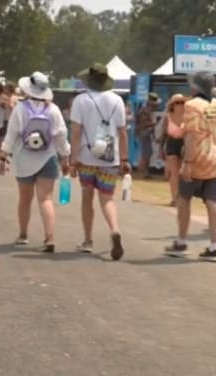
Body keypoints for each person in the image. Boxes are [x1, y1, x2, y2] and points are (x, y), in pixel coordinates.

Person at [0, 71, 70, 253]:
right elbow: (61, 135)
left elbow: (11, 134)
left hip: (24, 159)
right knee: (46, 199)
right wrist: (66, 156)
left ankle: (23, 234)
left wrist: (3, 156)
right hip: (48, 157)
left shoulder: (20, 109)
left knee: (24, 199)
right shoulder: (53, 110)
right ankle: (50, 237)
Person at [164, 71, 216, 262]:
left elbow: (191, 135)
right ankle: (214, 247)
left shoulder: (192, 106)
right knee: (213, 200)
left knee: (184, 198)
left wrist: (186, 163)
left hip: (197, 158)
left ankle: (182, 242)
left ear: (195, 86)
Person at [68, 63, 129, 260]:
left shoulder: (80, 100)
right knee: (107, 198)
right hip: (110, 157)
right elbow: (122, 132)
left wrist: (73, 160)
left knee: (87, 198)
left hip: (86, 156)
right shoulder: (117, 100)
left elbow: (76, 133)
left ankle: (87, 240)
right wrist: (125, 159)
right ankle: (114, 230)